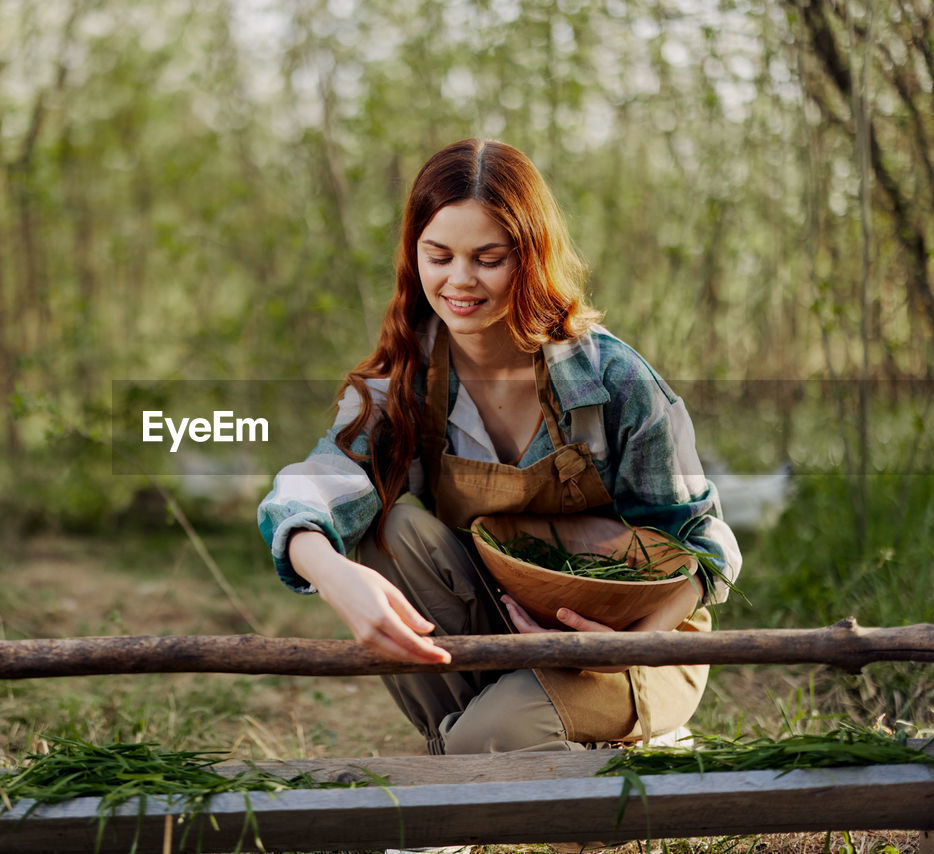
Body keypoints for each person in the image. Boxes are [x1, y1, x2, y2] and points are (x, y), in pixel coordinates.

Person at [257, 138, 741, 756]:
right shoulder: (406, 377)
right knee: (391, 527)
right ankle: (509, 749)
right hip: (500, 631)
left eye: (488, 259)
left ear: (531, 259)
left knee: (482, 746)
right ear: (415, 257)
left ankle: (602, 744)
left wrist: (626, 643)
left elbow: (702, 549)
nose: (459, 280)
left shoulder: (614, 381)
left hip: (631, 640)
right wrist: (329, 572)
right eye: (438, 256)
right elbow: (315, 481)